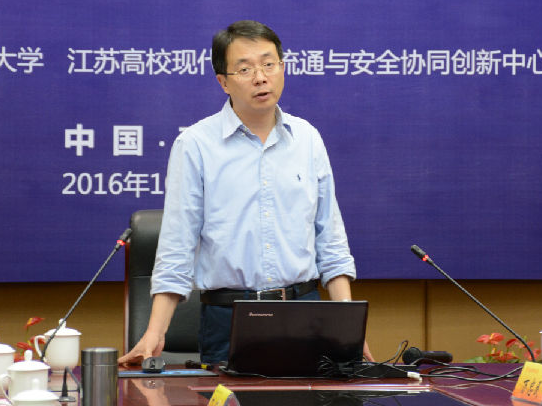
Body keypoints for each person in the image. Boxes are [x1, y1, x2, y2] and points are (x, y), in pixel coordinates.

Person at [119, 20, 372, 365]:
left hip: (305, 313)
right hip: (230, 318)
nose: (261, 77)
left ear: (282, 68)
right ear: (223, 82)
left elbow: (330, 240)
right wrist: (154, 332)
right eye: (245, 69)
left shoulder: (307, 138)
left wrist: (347, 326)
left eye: (269, 64)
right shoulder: (195, 145)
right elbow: (177, 246)